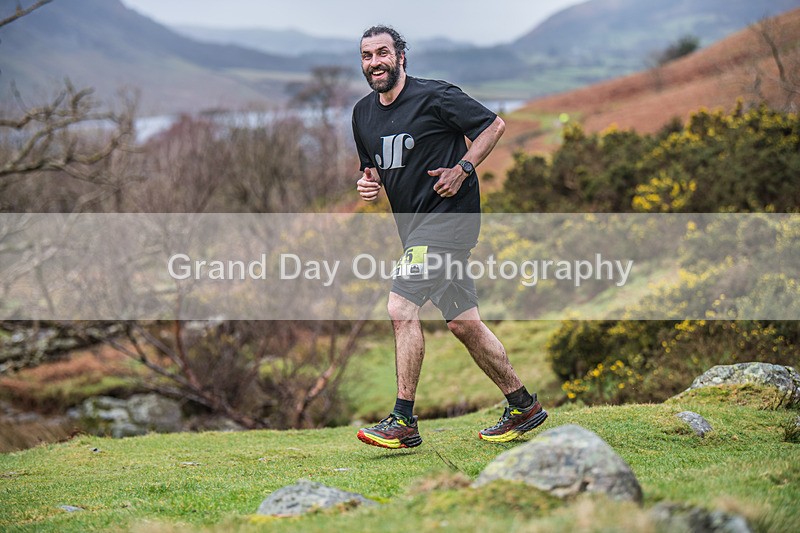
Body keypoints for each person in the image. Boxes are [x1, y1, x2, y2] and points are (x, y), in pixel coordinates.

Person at [352, 25, 547, 448]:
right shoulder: (362, 114)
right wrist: (367, 187)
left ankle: (403, 420)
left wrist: (464, 169)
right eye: (367, 55)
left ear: (401, 57)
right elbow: (372, 175)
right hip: (415, 228)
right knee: (464, 323)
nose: (374, 62)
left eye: (382, 53)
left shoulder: (435, 96)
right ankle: (523, 405)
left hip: (450, 220)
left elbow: (493, 125)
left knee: (400, 306)